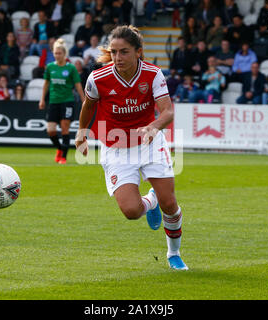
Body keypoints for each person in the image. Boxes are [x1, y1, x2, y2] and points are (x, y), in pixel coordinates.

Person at [75, 25, 188, 270]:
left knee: (170, 203)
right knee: (131, 211)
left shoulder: (153, 74)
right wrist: (82, 132)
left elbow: (167, 111)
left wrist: (153, 127)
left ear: (138, 52)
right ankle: (150, 202)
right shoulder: (98, 78)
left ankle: (173, 254)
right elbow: (88, 106)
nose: (117, 58)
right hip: (116, 149)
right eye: (114, 52)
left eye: (124, 52)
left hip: (149, 143)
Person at [39, 38, 85, 164]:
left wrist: (84, 100)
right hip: (54, 101)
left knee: (65, 128)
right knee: (50, 130)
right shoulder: (50, 67)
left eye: (59, 53)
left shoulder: (71, 68)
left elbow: (78, 85)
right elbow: (46, 84)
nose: (57, 55)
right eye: (55, 53)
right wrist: (42, 99)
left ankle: (63, 157)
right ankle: (60, 148)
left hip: (67, 101)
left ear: (64, 54)